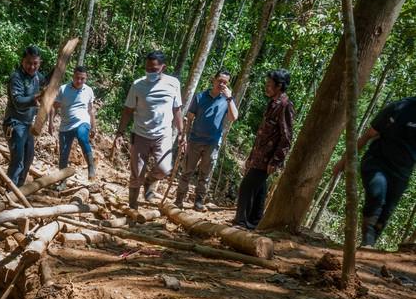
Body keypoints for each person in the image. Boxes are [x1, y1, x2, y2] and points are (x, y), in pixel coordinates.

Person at [332, 97, 416, 247]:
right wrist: (344, 160)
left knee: (386, 212)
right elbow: (368, 135)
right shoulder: (399, 108)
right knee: (377, 195)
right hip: (377, 162)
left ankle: (369, 249)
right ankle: (367, 242)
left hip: (403, 171)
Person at [113, 51, 185, 208]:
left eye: (154, 69)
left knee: (164, 169)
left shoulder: (173, 84)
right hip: (140, 134)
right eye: (147, 68)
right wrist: (119, 133)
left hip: (163, 134)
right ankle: (132, 207)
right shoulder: (138, 85)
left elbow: (177, 109)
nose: (150, 72)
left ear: (163, 68)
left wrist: (181, 132)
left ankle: (150, 180)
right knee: (136, 173)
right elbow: (127, 110)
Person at [232, 69, 295, 229]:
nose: (266, 87)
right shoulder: (272, 103)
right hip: (259, 156)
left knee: (246, 187)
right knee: (259, 189)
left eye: (269, 84)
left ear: (279, 86)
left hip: (268, 158)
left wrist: (276, 160)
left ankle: (241, 222)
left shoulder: (285, 106)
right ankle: (255, 222)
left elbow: (286, 137)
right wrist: (252, 157)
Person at [175, 69, 239, 211]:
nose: (222, 84)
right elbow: (189, 118)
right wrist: (184, 136)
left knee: (205, 174)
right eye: (220, 81)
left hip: (213, 142)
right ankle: (179, 199)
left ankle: (198, 201)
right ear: (214, 80)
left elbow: (234, 117)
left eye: (225, 82)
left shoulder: (226, 100)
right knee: (187, 171)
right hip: (195, 140)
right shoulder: (200, 97)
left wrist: (229, 98)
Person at [49, 65, 97, 188]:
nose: (79, 81)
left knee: (82, 137)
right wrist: (51, 123)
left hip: (82, 121)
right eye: (77, 78)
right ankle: (62, 181)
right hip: (66, 125)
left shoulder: (88, 90)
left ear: (86, 78)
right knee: (64, 153)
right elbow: (54, 107)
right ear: (73, 76)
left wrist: (93, 126)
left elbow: (90, 110)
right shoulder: (63, 89)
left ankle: (91, 166)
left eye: (82, 79)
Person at [3, 45, 45, 187]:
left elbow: (50, 81)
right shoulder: (16, 78)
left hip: (27, 125)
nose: (32, 67)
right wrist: (36, 97)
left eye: (35, 63)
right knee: (18, 158)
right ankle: (10, 192)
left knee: (28, 158)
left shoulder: (37, 77)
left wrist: (60, 65)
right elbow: (18, 102)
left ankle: (19, 189)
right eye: (29, 63)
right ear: (23, 61)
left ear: (39, 63)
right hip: (14, 124)